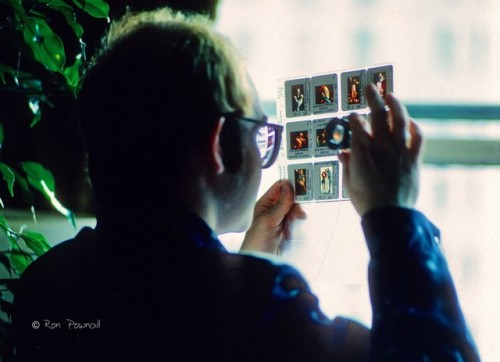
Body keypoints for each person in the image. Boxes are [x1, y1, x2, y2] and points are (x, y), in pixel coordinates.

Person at [12, 8, 480, 362]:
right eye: (261, 133)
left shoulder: (45, 288)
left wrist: (245, 265)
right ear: (219, 143)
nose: (265, 152)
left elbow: (167, 320)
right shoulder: (264, 304)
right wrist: (393, 216)